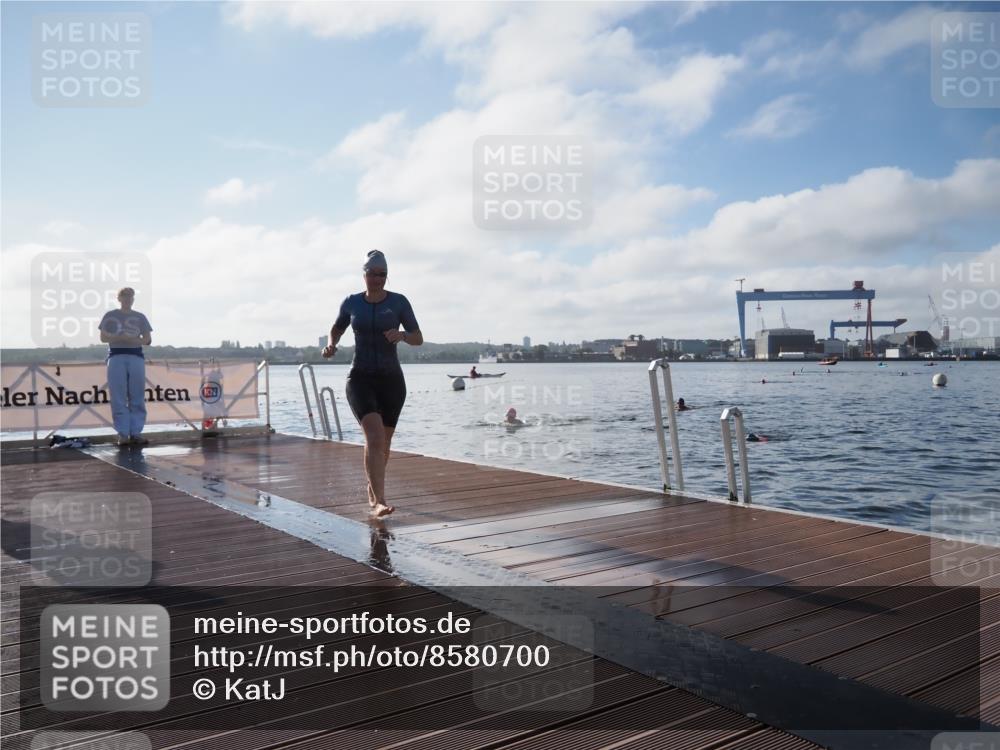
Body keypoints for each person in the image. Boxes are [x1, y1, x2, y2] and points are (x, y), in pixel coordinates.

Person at [322, 250, 422, 517]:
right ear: (364, 274)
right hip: (360, 378)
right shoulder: (352, 302)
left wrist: (401, 335)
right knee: (374, 436)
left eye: (382, 274)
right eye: (372, 274)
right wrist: (331, 344)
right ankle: (379, 501)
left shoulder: (399, 302)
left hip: (391, 381)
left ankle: (373, 489)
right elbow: (337, 328)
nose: (377, 279)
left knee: (383, 444)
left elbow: (418, 337)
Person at [99, 287, 152, 447]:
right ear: (119, 298)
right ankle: (123, 434)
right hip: (116, 356)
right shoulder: (110, 316)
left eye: (131, 297)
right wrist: (119, 337)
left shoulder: (140, 317)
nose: (129, 299)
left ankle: (136, 432)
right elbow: (102, 337)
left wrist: (134, 341)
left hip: (136, 356)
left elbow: (148, 339)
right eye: (125, 296)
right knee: (118, 396)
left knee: (137, 395)